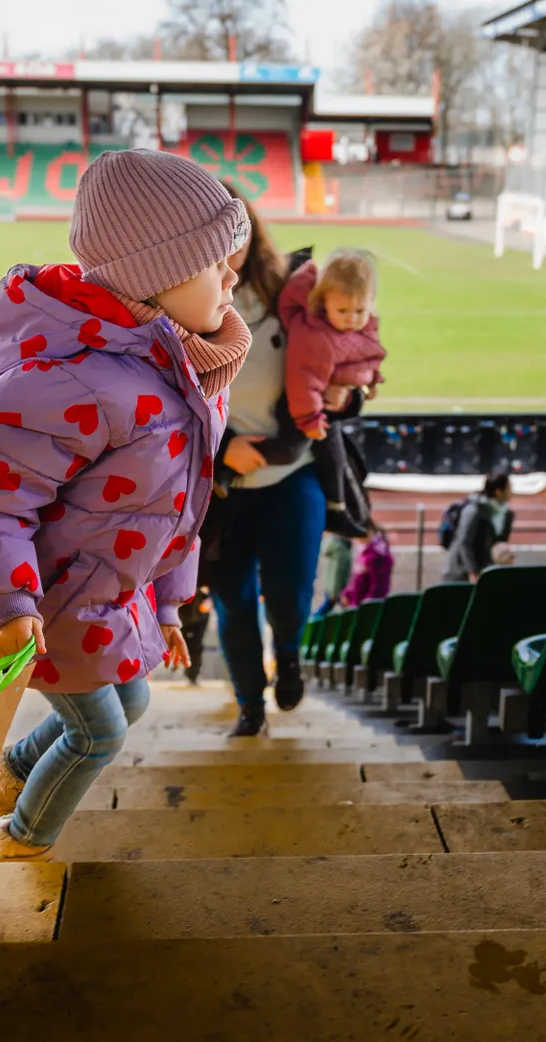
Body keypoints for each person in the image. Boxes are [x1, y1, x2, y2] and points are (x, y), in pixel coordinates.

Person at [0, 148, 247, 862]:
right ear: (155, 279)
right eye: (216, 265)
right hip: (42, 608)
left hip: (104, 597)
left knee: (130, 703)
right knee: (99, 733)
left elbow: (177, 509)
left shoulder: (183, 370)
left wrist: (168, 605)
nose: (233, 280)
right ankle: (20, 845)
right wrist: (6, 607)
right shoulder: (76, 382)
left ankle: (9, 776)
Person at [203, 181, 337, 736]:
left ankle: (288, 655)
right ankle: (249, 707)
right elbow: (156, 407)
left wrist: (347, 388)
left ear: (252, 227)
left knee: (292, 589)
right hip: (222, 489)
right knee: (233, 605)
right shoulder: (175, 303)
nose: (226, 242)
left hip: (291, 474)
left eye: (234, 226)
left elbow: (339, 353)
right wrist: (219, 451)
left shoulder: (292, 291)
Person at [279, 249, 386, 537]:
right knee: (302, 449)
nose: (352, 319)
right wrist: (310, 418)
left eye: (360, 311)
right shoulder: (315, 336)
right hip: (304, 409)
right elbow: (303, 379)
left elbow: (364, 355)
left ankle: (339, 508)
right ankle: (337, 509)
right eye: (344, 311)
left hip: (322, 405)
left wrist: (369, 381)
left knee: (338, 456)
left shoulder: (350, 326)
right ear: (322, 303)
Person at [443, 472, 513, 582]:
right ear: (498, 491)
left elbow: (499, 541)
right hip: (461, 572)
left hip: (484, 571)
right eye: (509, 488)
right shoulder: (474, 510)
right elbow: (464, 542)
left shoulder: (507, 514)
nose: (511, 492)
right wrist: (472, 572)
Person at [339, 522, 394, 608]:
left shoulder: (376, 555)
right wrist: (347, 594)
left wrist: (367, 605)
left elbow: (378, 586)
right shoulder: (364, 552)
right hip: (358, 604)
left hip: (367, 607)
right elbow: (356, 580)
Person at [315, 531, 354, 615]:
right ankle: (312, 624)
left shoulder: (337, 546)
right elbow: (337, 572)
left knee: (327, 608)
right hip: (336, 588)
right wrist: (334, 592)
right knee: (326, 609)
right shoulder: (340, 549)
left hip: (333, 586)